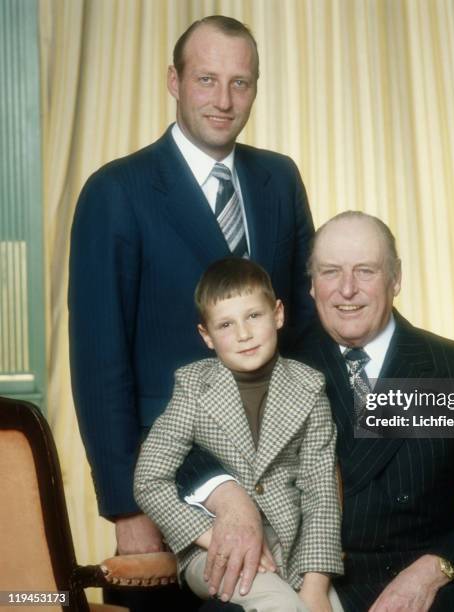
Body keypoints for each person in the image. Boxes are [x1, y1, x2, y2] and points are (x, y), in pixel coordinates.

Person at [68, 15, 315, 611]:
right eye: (207, 79)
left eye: (241, 83)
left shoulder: (279, 179)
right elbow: (100, 363)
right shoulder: (116, 192)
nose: (224, 100)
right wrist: (127, 507)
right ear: (173, 81)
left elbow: (303, 330)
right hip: (175, 484)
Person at [176, 211, 454, 611]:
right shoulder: (263, 359)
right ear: (311, 285)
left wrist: (436, 569)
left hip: (421, 584)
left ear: (395, 278)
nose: (347, 290)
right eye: (330, 272)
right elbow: (185, 451)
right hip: (291, 578)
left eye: (365, 271)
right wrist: (227, 498)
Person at [134, 258, 343, 612]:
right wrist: (215, 537)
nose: (244, 334)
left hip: (291, 552)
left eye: (254, 316)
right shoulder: (194, 389)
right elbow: (148, 480)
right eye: (226, 324)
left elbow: (321, 495)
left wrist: (316, 584)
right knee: (283, 608)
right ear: (207, 336)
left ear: (278, 314)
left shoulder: (309, 389)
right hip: (211, 551)